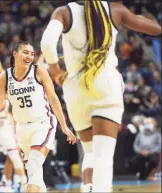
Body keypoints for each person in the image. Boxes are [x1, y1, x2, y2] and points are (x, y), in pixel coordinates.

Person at [40, 0, 161, 192]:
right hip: (106, 84)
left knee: (89, 149)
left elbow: (47, 44)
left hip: (75, 88)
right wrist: (153, 21)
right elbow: (155, 29)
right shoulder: (115, 10)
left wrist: (55, 71)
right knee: (103, 157)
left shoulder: (64, 12)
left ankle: (87, 187)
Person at [0, 41, 76, 192]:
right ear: (15, 54)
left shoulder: (38, 71)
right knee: (33, 171)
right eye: (26, 52)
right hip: (21, 128)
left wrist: (64, 126)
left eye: (32, 53)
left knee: (34, 165)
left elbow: (54, 99)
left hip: (42, 124)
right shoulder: (5, 77)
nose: (29, 56)